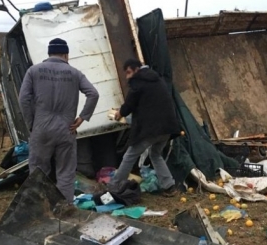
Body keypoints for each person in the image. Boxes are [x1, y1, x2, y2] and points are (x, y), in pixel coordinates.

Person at [19, 38, 99, 206]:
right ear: (65, 54)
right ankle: (64, 210)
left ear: (49, 53)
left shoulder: (34, 71)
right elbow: (93, 93)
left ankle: (39, 208)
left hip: (41, 127)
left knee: (39, 171)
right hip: (66, 129)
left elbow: (23, 99)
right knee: (65, 173)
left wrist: (31, 124)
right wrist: (82, 118)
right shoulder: (75, 73)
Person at [112, 58, 181, 197]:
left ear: (137, 69)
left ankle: (114, 186)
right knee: (155, 154)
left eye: (129, 72)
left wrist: (119, 113)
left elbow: (130, 103)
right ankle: (169, 186)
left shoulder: (139, 82)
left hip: (151, 129)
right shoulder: (156, 79)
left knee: (130, 155)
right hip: (167, 127)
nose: (127, 77)